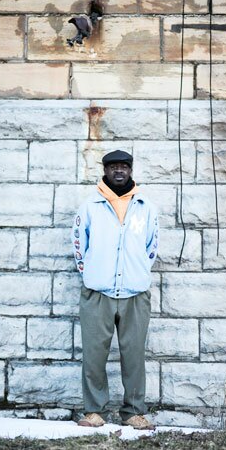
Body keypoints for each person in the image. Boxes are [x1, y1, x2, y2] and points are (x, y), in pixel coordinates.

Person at [72, 150, 158, 430]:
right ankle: (94, 411)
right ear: (105, 171)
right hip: (98, 293)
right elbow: (78, 245)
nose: (119, 171)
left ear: (131, 170)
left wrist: (139, 273)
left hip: (135, 293)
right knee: (94, 355)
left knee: (134, 355)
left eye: (124, 166)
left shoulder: (145, 206)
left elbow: (151, 247)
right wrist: (93, 275)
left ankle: (134, 411)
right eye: (113, 167)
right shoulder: (90, 206)